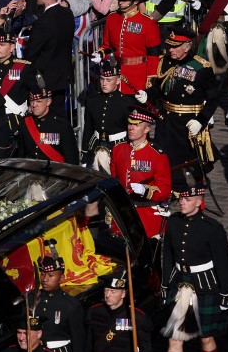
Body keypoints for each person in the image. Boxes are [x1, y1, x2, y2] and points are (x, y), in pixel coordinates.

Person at [156, 172, 228, 352]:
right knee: (174, 339)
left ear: (199, 201)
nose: (182, 202)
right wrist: (165, 283)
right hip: (181, 283)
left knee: (206, 337)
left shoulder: (212, 228)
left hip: (206, 285)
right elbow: (168, 255)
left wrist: (225, 292)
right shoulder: (174, 222)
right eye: (181, 198)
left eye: (187, 199)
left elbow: (223, 261)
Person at [138, 28, 219, 173]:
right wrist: (147, 94)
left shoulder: (202, 68)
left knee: (190, 166)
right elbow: (160, 88)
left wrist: (201, 120)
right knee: (163, 161)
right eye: (169, 46)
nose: (170, 50)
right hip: (167, 121)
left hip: (188, 122)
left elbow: (213, 99)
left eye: (175, 46)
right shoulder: (166, 62)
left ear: (187, 47)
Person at [94, 0, 159, 96]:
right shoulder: (112, 18)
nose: (121, 2)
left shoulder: (148, 23)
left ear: (135, 0)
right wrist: (101, 53)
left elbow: (153, 54)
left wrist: (150, 78)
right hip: (116, 75)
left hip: (138, 75)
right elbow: (108, 45)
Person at [109, 105, 172, 240]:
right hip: (124, 214)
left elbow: (165, 191)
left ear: (147, 129)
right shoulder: (118, 149)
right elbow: (113, 180)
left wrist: (146, 190)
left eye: (137, 125)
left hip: (147, 215)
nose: (131, 128)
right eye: (130, 124)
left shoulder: (157, 155)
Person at [23, 0, 73, 114]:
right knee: (59, 116)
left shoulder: (42, 23)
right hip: (62, 76)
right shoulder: (67, 13)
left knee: (46, 120)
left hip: (44, 80)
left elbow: (31, 53)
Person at [81, 55, 133, 172]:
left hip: (118, 146)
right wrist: (84, 153)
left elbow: (130, 131)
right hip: (95, 145)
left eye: (109, 80)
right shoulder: (92, 100)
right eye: (102, 79)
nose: (104, 83)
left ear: (118, 80)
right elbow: (88, 127)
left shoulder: (126, 103)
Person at [16, 78, 78, 164]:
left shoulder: (62, 126)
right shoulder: (25, 123)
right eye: (32, 101)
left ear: (48, 102)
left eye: (39, 101)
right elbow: (21, 156)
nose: (34, 105)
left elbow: (72, 160)